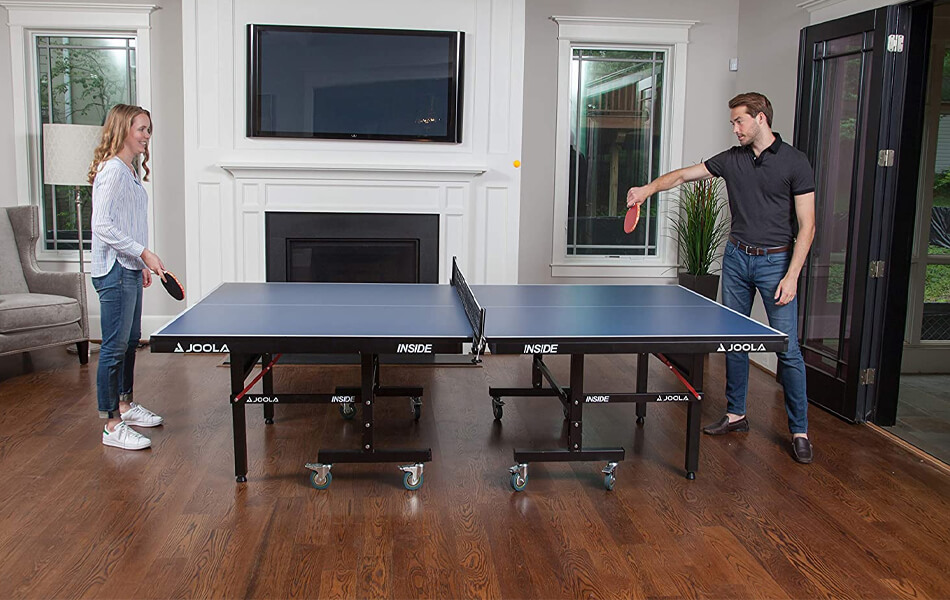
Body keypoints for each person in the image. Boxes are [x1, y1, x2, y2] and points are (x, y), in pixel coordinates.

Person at [626, 92, 817, 464]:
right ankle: (736, 414)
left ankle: (799, 430)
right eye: (733, 122)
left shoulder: (795, 162)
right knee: (735, 341)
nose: (735, 128)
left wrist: (792, 275)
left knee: (788, 350)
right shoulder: (732, 160)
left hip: (776, 263)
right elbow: (683, 175)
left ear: (760, 118)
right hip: (736, 259)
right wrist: (648, 190)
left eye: (739, 121)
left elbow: (807, 226)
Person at [88, 104, 167, 450]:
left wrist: (141, 262)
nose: (147, 136)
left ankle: (125, 405)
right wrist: (143, 253)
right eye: (141, 129)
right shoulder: (112, 171)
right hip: (114, 270)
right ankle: (112, 424)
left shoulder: (129, 172)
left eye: (149, 129)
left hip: (130, 267)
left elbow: (128, 224)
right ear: (122, 129)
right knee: (114, 347)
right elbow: (102, 225)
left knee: (131, 340)